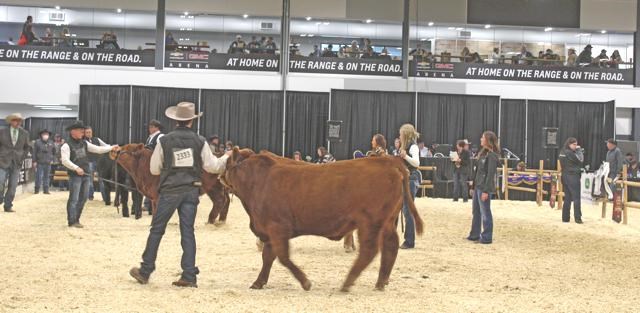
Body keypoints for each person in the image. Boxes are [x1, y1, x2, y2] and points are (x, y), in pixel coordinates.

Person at [129, 101, 231, 288]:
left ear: (175, 120)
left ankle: (145, 270)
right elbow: (212, 167)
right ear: (192, 121)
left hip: (169, 191)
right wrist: (226, 157)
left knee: (157, 230)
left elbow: (154, 169)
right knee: (188, 232)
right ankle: (189, 275)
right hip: (191, 191)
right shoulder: (200, 141)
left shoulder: (163, 141)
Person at [61, 121, 118, 227]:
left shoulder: (84, 143)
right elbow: (64, 160)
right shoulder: (66, 145)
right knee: (74, 198)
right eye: (80, 131)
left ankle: (77, 219)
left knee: (83, 198)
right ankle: (71, 221)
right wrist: (76, 168)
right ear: (73, 132)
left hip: (86, 174)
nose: (82, 133)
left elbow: (98, 149)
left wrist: (111, 147)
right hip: (75, 176)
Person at [466, 131, 499, 244]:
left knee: (485, 212)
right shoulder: (482, 154)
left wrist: (486, 191)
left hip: (484, 188)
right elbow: (477, 172)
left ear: (488, 140)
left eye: (482, 138)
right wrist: (473, 186)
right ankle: (475, 234)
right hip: (478, 187)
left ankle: (487, 237)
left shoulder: (492, 155)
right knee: (476, 211)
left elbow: (490, 175)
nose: (480, 139)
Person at [0, 113, 30, 212]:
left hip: (17, 162)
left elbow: (27, 147)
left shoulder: (24, 133)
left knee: (13, 186)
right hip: (2, 161)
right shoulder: (2, 131)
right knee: (0, 182)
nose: (18, 122)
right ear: (11, 121)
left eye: (20, 121)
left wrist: (22, 158)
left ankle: (8, 205)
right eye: (16, 120)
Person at [398, 124, 421, 249]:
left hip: (411, 179)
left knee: (408, 210)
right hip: (406, 179)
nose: (399, 136)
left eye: (401, 134)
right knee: (406, 210)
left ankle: (409, 241)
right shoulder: (405, 147)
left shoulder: (413, 147)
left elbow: (416, 163)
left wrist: (405, 156)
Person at [559, 138, 584, 223]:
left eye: (576, 144)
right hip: (573, 176)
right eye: (574, 144)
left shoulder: (562, 152)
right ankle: (578, 218)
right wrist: (579, 150)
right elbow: (580, 160)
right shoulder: (570, 153)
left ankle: (565, 218)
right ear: (569, 144)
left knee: (568, 198)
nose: (575, 146)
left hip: (564, 176)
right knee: (576, 197)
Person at [143, 120, 165, 213]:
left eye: (152, 127)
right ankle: (148, 204)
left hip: (157, 164)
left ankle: (150, 205)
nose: (150, 129)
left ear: (157, 128)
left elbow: (160, 149)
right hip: (149, 164)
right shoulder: (149, 138)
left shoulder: (160, 136)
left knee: (154, 184)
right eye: (150, 127)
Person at [84, 126, 109, 201]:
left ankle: (105, 197)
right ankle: (90, 196)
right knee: (89, 180)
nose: (89, 134)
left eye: (90, 132)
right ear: (85, 133)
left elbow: (106, 146)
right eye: (87, 132)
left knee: (102, 180)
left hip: (99, 162)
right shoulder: (83, 141)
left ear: (92, 132)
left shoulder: (97, 139)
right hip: (89, 162)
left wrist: (112, 147)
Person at [33, 129, 55, 194]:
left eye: (47, 134)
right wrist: (34, 161)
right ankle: (36, 190)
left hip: (48, 162)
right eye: (44, 134)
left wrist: (52, 159)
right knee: (38, 176)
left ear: (49, 135)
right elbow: (34, 152)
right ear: (41, 135)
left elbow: (54, 151)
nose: (45, 135)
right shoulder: (37, 142)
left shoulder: (51, 142)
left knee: (47, 176)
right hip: (40, 162)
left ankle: (46, 190)